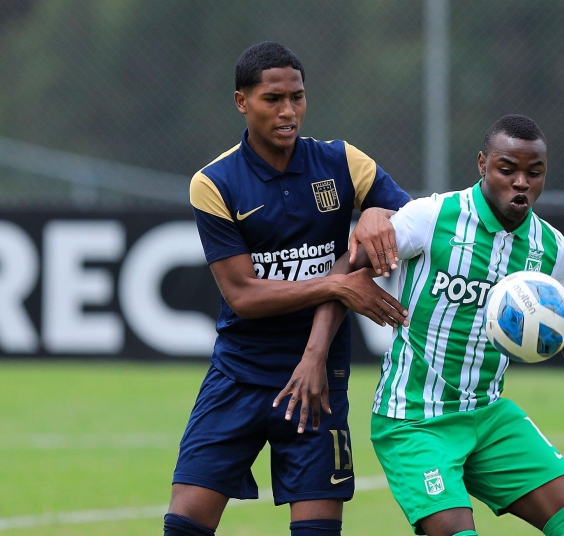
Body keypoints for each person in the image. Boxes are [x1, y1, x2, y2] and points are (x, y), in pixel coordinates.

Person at [293, 115, 564, 536]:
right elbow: (345, 269)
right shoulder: (432, 217)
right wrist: (314, 355)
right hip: (414, 421)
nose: (521, 182)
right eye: (507, 169)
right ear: (483, 164)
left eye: (534, 173)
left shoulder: (551, 248)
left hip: (488, 415)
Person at [164, 41, 411, 536]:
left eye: (297, 97)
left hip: (320, 382)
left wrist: (378, 213)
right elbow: (243, 296)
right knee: (184, 526)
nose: (288, 111)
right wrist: (339, 284)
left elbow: (410, 220)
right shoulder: (214, 182)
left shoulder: (343, 161)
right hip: (240, 374)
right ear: (242, 102)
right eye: (272, 99)